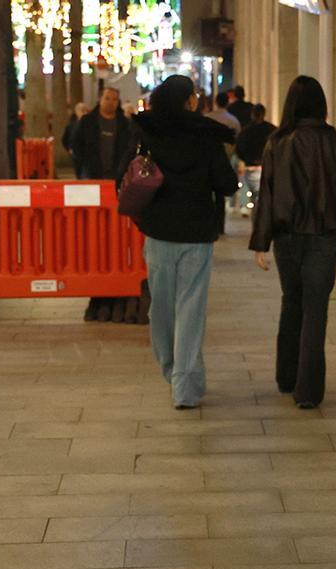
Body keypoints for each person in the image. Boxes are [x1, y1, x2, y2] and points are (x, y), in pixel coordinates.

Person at [118, 75, 239, 409]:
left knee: (162, 306)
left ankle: (171, 369)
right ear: (187, 101)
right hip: (196, 233)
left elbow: (123, 170)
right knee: (190, 308)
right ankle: (184, 384)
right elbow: (227, 184)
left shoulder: (147, 132)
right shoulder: (205, 136)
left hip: (158, 232)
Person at [249, 76, 336, 409]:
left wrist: (261, 241)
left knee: (292, 302)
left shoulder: (277, 143)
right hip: (323, 237)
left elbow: (267, 196)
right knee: (316, 311)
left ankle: (286, 377)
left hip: (287, 239)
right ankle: (308, 391)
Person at [72, 87, 131, 180]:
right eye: (107, 98)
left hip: (118, 174)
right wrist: (83, 164)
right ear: (100, 99)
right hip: (91, 173)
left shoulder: (125, 124)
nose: (110, 102)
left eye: (114, 99)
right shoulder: (87, 121)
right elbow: (76, 143)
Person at [234, 103, 275, 217]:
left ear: (252, 115)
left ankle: (252, 215)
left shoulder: (246, 131)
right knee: (262, 198)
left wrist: (246, 159)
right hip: (265, 166)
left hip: (250, 166)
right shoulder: (271, 130)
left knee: (252, 196)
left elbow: (239, 149)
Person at [61, 102, 89, 177]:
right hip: (76, 154)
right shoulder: (71, 125)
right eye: (82, 110)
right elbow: (64, 139)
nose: (84, 113)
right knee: (79, 173)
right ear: (77, 112)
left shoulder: (91, 124)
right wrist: (69, 149)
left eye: (86, 110)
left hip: (88, 154)